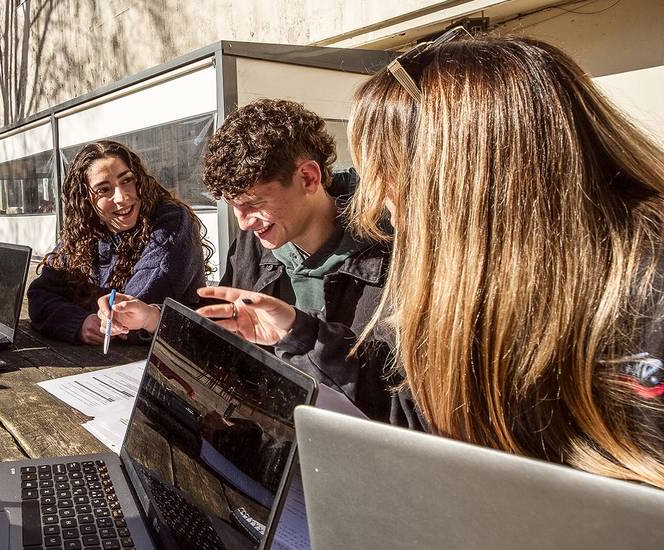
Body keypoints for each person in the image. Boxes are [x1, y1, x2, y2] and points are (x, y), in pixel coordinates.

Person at [217, 31, 664, 488]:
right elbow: (425, 417)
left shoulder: (644, 294)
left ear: (463, 174)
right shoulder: (490, 280)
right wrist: (303, 333)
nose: (375, 202)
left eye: (386, 173)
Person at [100, 100, 396, 419]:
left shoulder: (393, 252)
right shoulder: (254, 241)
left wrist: (303, 335)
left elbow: (399, 398)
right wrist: (151, 317)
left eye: (254, 203)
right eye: (234, 207)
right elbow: (227, 328)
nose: (243, 222)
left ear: (309, 178)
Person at [28, 141, 211, 345]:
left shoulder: (170, 221)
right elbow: (40, 295)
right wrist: (79, 322)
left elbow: (128, 313)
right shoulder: (85, 230)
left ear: (139, 180)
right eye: (104, 190)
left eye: (127, 180)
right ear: (85, 200)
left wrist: (91, 314)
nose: (122, 197)